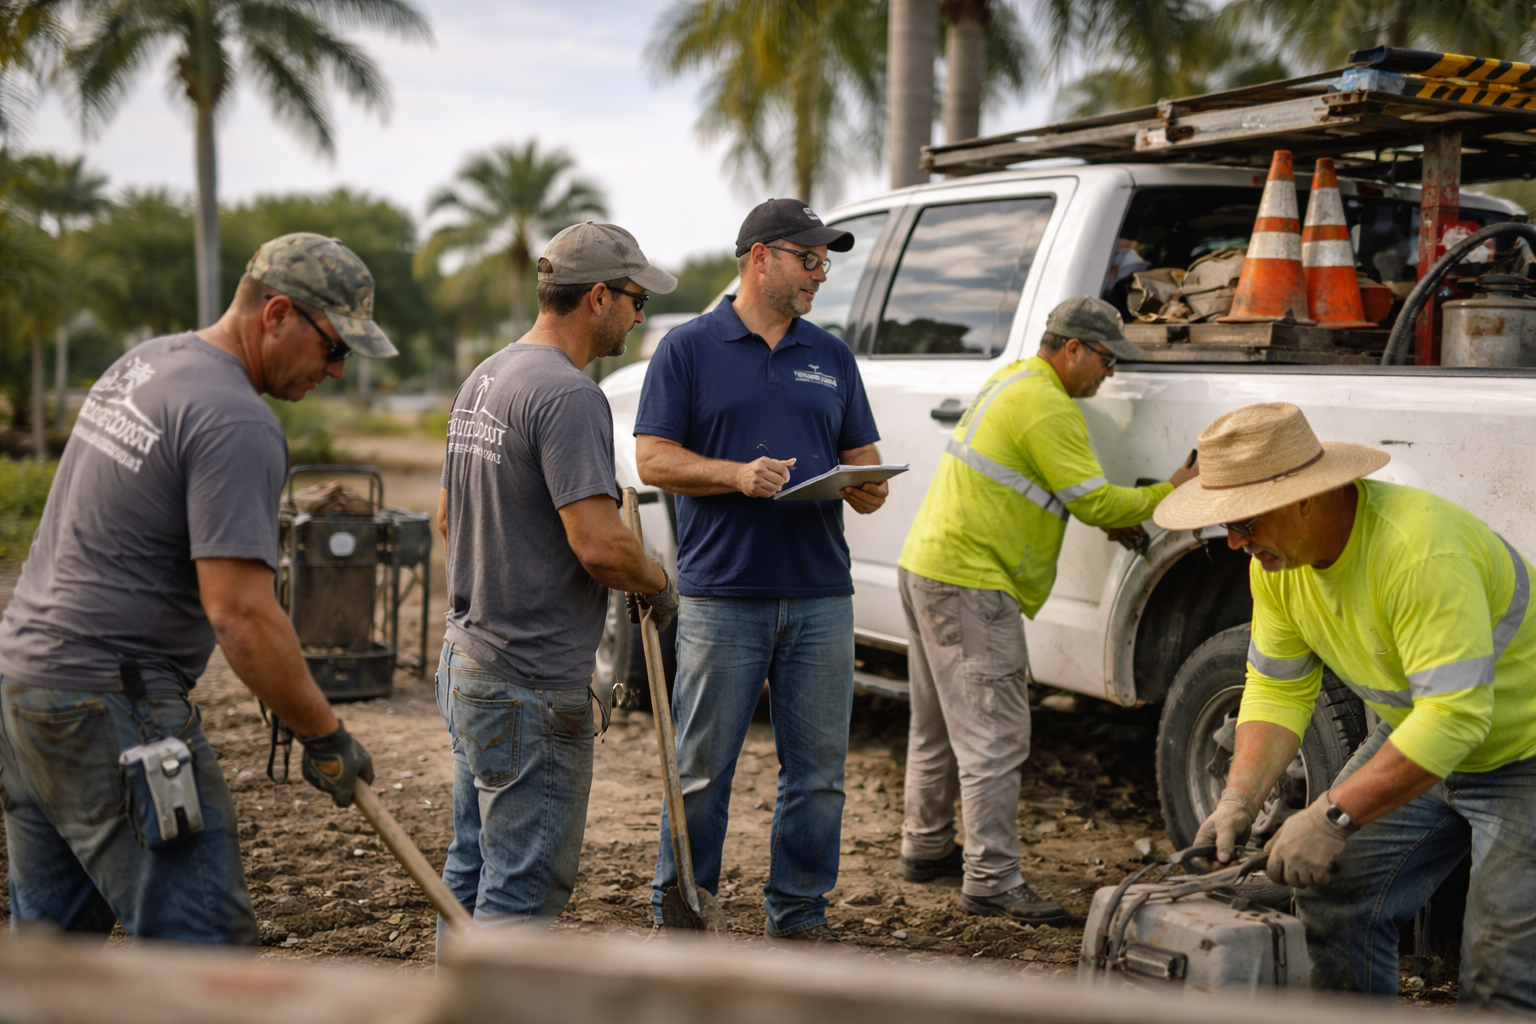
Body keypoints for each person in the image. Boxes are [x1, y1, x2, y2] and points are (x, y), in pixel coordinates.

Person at [0, 233, 385, 943]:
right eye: (336, 347)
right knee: (204, 952)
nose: (336, 371)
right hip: (111, 709)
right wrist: (322, 731)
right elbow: (240, 613)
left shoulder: (145, 364)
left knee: (49, 960)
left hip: (29, 689)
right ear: (277, 315)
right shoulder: (237, 420)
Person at [1156, 402, 1536, 1008]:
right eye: (1224, 526)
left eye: (1245, 522)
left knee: (1502, 970)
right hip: (1423, 735)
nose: (1234, 543)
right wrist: (1239, 797)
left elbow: (1457, 717)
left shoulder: (1420, 552)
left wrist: (1332, 815)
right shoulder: (1277, 566)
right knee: (1335, 897)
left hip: (1525, 751)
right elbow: (1278, 686)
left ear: (1306, 497)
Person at [895, 296, 1199, 923]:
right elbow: (1094, 504)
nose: (1109, 374)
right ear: (1073, 350)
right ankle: (992, 880)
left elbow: (1051, 488)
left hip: (930, 567)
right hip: (972, 585)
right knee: (995, 738)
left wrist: (1117, 516)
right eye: (1107, 360)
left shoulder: (1014, 380)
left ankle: (925, 848)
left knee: (937, 729)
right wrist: (1172, 491)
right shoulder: (1049, 407)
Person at [634, 198, 885, 941]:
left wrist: (867, 485)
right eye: (808, 259)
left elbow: (865, 464)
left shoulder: (830, 355)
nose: (819, 274)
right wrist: (735, 476)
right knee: (702, 774)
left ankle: (799, 918)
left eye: (824, 261)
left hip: (820, 597)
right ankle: (681, 914)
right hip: (723, 598)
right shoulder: (687, 349)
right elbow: (652, 459)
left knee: (818, 779)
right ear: (759, 257)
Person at [434, 221, 679, 944]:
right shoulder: (569, 396)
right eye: (635, 300)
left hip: (470, 661)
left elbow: (448, 517)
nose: (640, 317)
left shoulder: (487, 375)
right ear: (597, 296)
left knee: (471, 870)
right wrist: (657, 581)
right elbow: (601, 546)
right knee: (522, 891)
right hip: (530, 684)